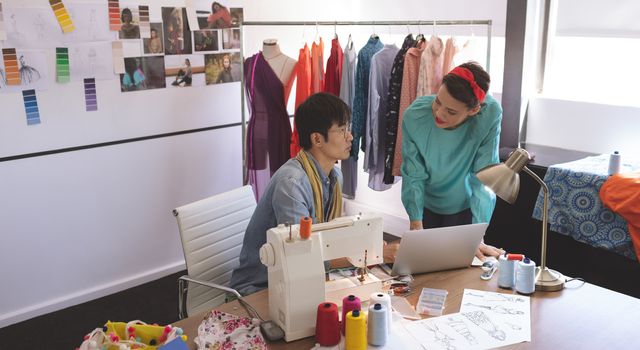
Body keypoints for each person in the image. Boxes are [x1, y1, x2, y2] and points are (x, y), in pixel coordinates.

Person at [230, 93, 399, 296]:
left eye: (349, 128)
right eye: (342, 130)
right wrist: (373, 255)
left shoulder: (334, 176)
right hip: (260, 288)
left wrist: (368, 248)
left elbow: (331, 238)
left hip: (300, 280)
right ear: (317, 139)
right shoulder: (291, 184)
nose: (350, 137)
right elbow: (301, 257)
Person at [400, 61, 504, 261]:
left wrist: (477, 234)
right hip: (426, 205)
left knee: (463, 274)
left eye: (451, 111)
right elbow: (413, 174)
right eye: (438, 101)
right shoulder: (415, 116)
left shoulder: (489, 115)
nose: (439, 113)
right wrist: (415, 223)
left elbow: (484, 176)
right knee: (426, 266)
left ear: (473, 110)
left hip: (465, 207)